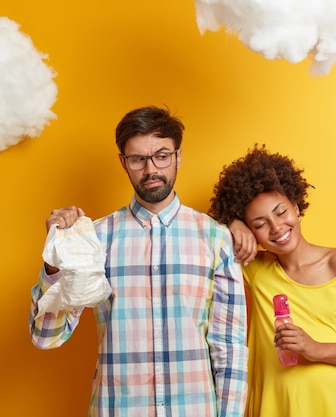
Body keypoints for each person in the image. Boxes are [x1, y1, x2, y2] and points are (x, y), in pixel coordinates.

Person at [28, 105, 248, 417]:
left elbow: (230, 349)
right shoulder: (95, 238)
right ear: (123, 162)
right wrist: (55, 258)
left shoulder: (215, 239)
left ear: (178, 156)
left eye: (161, 155)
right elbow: (45, 336)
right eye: (137, 159)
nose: (151, 170)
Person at [209, 145, 336, 417]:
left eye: (281, 212)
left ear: (297, 207)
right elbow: (201, 234)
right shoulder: (254, 269)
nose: (276, 228)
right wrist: (232, 224)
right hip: (276, 408)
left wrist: (315, 349)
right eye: (260, 223)